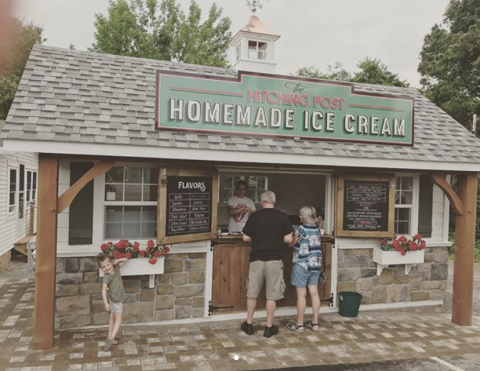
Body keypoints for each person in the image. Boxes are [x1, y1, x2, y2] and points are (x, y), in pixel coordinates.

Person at [241, 190, 294, 338]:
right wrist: (276, 238)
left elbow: (245, 237)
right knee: (272, 296)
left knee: (252, 293)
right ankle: (269, 328)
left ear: (262, 201)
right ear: (274, 201)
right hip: (274, 260)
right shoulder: (282, 217)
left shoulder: (255, 216)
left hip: (257, 259)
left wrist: (259, 238)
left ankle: (249, 325)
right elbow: (289, 239)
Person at [287, 206, 322, 332]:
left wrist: (289, 237)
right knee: (314, 293)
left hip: (302, 264)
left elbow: (291, 243)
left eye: (301, 215)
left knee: (301, 295)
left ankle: (300, 325)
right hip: (316, 265)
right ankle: (315, 323)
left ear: (305, 216)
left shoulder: (301, 229)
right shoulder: (317, 229)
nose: (299, 217)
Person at [96, 254, 129, 351]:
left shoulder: (117, 268)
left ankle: (109, 337)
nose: (106, 268)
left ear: (111, 262)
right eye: (103, 267)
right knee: (118, 319)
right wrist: (106, 304)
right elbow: (103, 290)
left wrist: (116, 260)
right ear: (101, 268)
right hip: (116, 301)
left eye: (108, 264)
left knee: (112, 317)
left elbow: (126, 259)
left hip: (114, 300)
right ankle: (111, 339)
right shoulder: (106, 277)